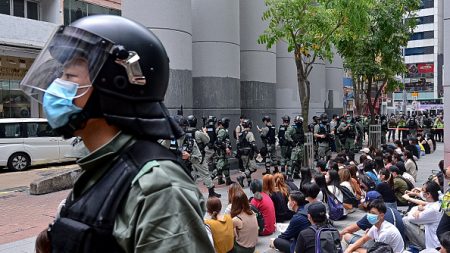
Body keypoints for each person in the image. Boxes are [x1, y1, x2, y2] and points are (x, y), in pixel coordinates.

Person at [24, 15, 214, 252]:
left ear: (116, 85)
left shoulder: (158, 187)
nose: (56, 86)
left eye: (70, 77)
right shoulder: (100, 169)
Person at [186, 114, 221, 197]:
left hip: (188, 156)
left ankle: (191, 193)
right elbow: (207, 140)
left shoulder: (185, 132)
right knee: (205, 174)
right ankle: (211, 193)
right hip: (198, 156)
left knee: (192, 173)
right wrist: (205, 131)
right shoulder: (197, 133)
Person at [402, 181, 442, 250]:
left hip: (433, 245)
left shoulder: (432, 209)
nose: (421, 192)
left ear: (429, 194)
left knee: (405, 220)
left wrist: (418, 209)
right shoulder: (438, 202)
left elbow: (411, 218)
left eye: (422, 190)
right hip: (436, 239)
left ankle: (418, 246)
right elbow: (422, 201)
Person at [236, 119, 259, 187]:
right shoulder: (249, 133)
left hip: (242, 154)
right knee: (253, 168)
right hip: (249, 154)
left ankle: (249, 182)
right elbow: (253, 144)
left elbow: (238, 143)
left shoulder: (240, 134)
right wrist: (258, 152)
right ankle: (242, 177)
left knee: (246, 168)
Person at [215, 117, 234, 185]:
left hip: (221, 150)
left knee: (225, 165)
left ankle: (224, 180)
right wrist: (226, 148)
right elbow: (219, 141)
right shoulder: (222, 131)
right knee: (220, 165)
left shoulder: (219, 129)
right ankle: (210, 178)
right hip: (222, 151)